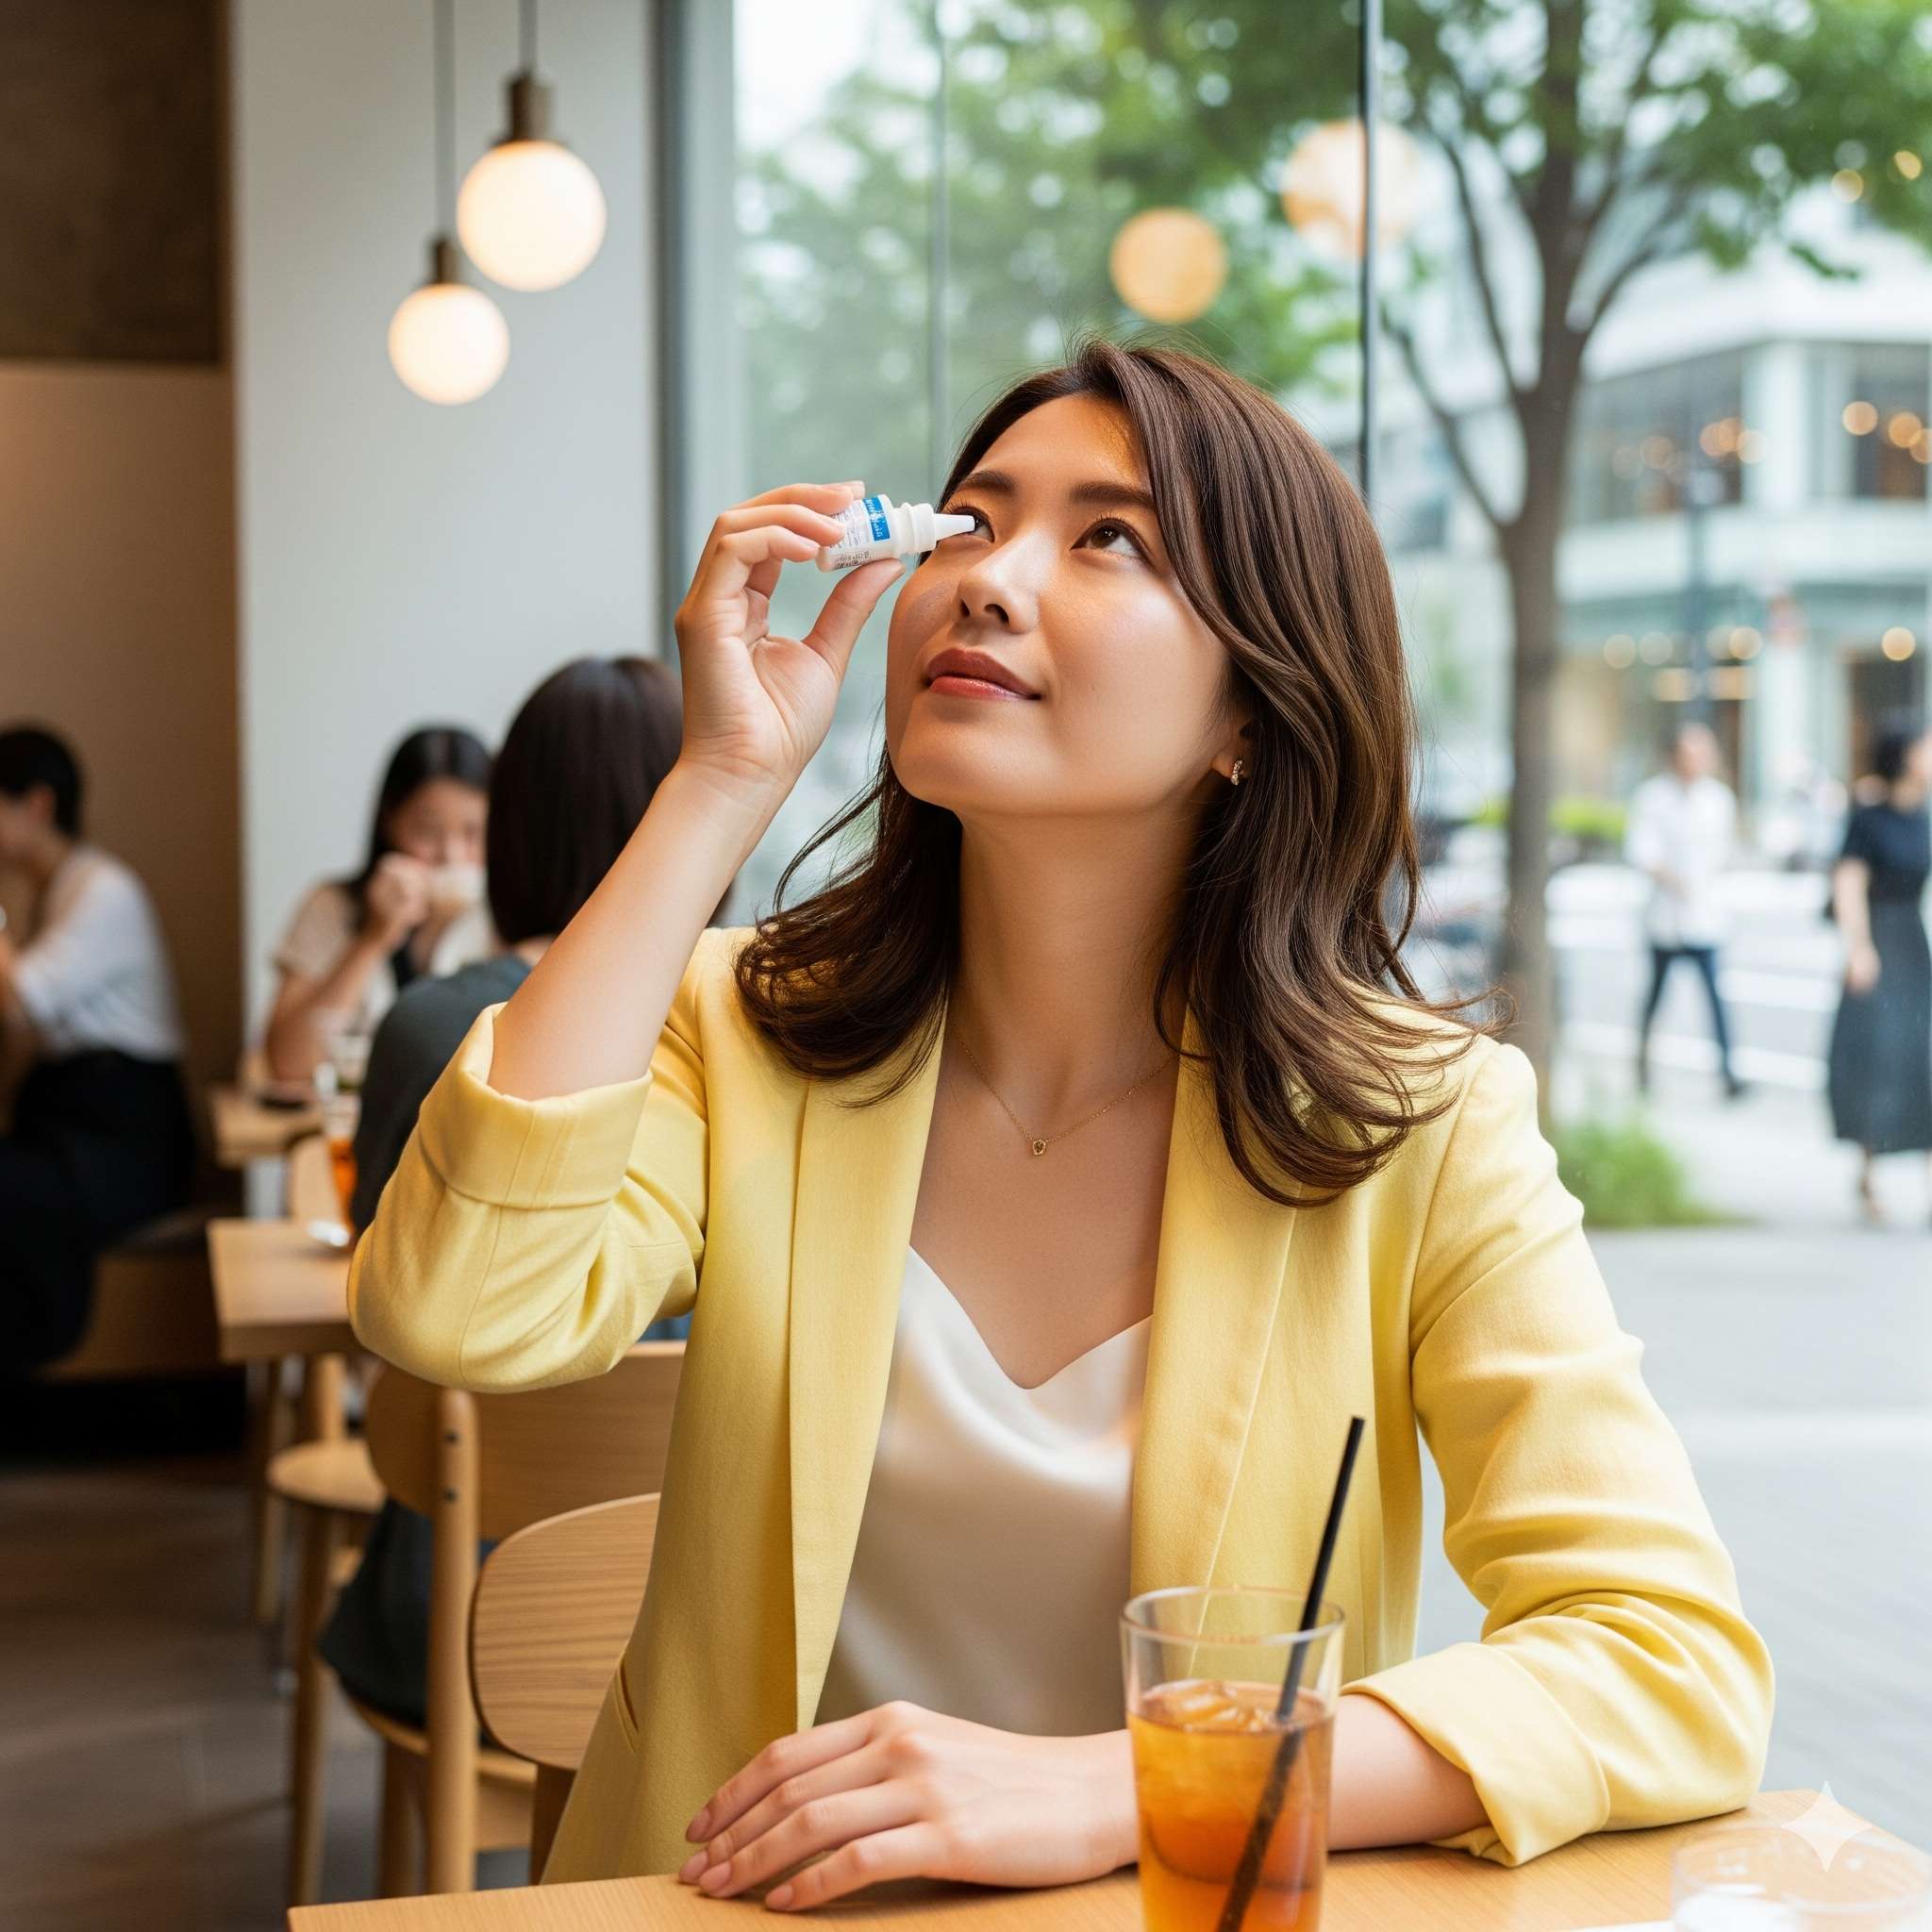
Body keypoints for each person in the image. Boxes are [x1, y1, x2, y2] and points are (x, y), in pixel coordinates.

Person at [351, 343, 1772, 1895]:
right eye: (965, 521)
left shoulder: (1417, 1121)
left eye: (1111, 538)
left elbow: (1664, 1660)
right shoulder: (742, 1027)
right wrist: (714, 783)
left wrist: (1136, 1781)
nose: (989, 578)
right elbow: (454, 1310)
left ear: (1252, 703)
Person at [318, 658, 692, 1725]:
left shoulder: (438, 1025)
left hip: (458, 1602)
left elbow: (378, 1301)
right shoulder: (756, 1021)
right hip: (705, 1617)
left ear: (511, 823)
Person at [0, 725, 195, 1370]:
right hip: (75, 1126)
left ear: (36, 805)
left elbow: (21, 1000)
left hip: (124, 1140)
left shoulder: (103, 889)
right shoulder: (52, 892)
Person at [262, 726, 492, 1084]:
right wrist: (372, 937)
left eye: (472, 833)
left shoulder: (504, 926)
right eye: (428, 832)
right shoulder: (332, 906)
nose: (452, 856)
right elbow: (289, 1065)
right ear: (390, 822)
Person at [1826, 723, 1932, 1225]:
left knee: (1923, 1061)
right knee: (1876, 1059)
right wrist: (1859, 948)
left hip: (1914, 943)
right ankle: (1867, 1175)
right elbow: (1847, 882)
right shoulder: (1868, 816)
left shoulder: (1924, 817)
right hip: (1878, 942)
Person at [1625, 722, 1745, 1100]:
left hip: (1705, 917)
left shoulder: (1719, 800)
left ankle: (1728, 1073)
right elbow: (1641, 851)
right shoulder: (1653, 798)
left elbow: (1724, 853)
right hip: (1665, 917)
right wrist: (1671, 877)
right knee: (1656, 995)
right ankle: (1642, 1063)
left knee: (1715, 996)